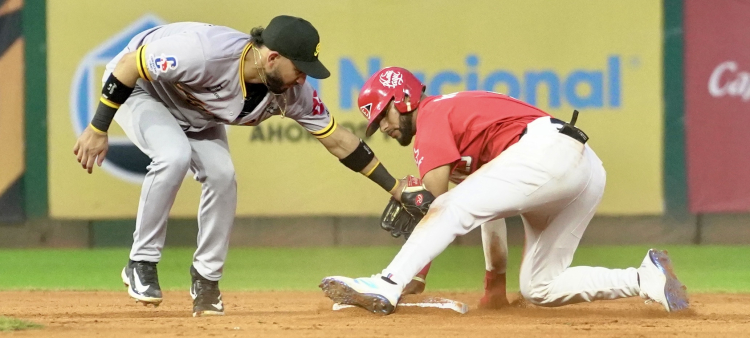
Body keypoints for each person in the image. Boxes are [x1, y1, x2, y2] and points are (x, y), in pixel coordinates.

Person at [72, 16, 410, 317]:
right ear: (272, 57)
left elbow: (338, 140)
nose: (302, 78)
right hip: (140, 88)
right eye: (300, 68)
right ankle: (140, 263)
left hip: (198, 110)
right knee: (172, 155)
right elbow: (130, 65)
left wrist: (396, 188)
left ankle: (206, 280)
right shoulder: (205, 52)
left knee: (223, 176)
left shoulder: (292, 93)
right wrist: (98, 127)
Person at [319, 67, 690, 315]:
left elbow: (434, 202)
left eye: (384, 114)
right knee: (540, 287)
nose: (382, 125)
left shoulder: (432, 115)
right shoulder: (458, 134)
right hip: (583, 168)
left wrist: (410, 274)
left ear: (403, 99)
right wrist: (493, 284)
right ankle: (645, 278)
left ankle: (386, 283)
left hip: (546, 152)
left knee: (449, 204)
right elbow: (481, 209)